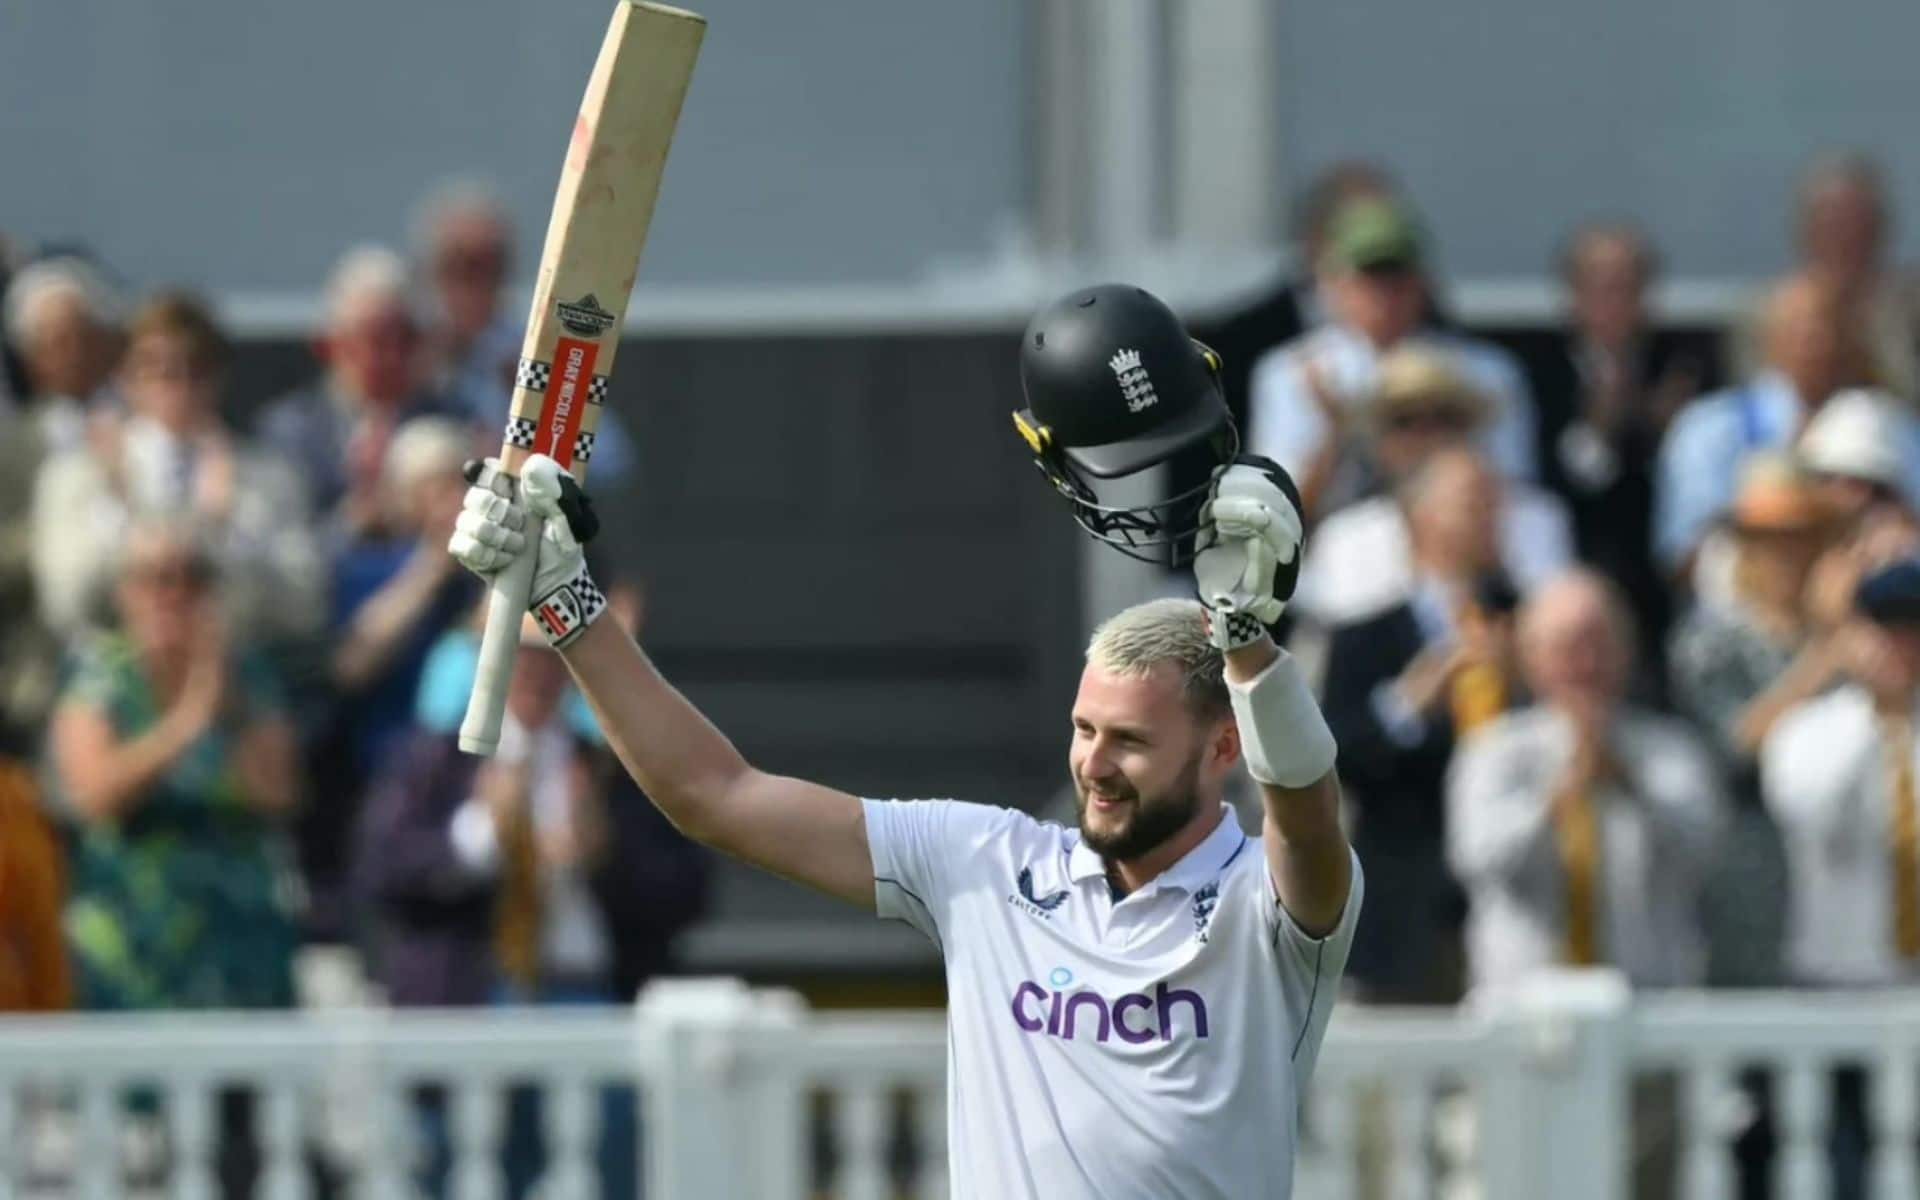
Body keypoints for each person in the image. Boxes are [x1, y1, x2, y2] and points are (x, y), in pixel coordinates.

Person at [451, 284, 1361, 1199]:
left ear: (1219, 751)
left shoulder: (1266, 909)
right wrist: (566, 604)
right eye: (1084, 729)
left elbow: (1310, 814)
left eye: (1129, 741)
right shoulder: (990, 866)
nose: (1093, 763)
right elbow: (715, 795)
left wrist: (1245, 640)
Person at [1447, 570, 1728, 992]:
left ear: (1626, 650)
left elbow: (1704, 855)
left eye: (1599, 643)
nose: (1585, 664)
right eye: (1567, 647)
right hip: (1522, 1003)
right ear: (1531, 656)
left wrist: (1630, 784)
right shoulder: (1492, 751)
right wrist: (1556, 799)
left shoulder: (1671, 749)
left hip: (1651, 1004)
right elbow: (1478, 861)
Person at [1318, 448, 1527, 1004]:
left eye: (1495, 502)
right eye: (1473, 502)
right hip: (1409, 900)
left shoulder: (1528, 624)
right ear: (1421, 517)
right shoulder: (1368, 633)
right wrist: (1413, 699)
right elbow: (1341, 756)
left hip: (1519, 902)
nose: (1491, 515)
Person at [1244, 197, 1537, 520]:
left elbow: (1516, 494)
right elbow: (1274, 514)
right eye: (1369, 278)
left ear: (1422, 282)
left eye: (1397, 277)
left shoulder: (1485, 372)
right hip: (1334, 552)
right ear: (1333, 284)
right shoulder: (1293, 371)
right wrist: (1333, 433)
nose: (1385, 295)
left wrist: (1451, 432)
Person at [1527, 221, 1717, 666]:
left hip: (1662, 588)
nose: (1615, 302)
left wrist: (1668, 430)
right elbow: (1562, 479)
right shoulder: (1542, 372)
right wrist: (1602, 422)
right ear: (1572, 295)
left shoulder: (1685, 365)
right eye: (1601, 287)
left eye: (1628, 286)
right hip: (1578, 568)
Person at [1656, 275, 1920, 583]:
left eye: (1832, 329)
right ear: (1768, 337)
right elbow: (1684, 551)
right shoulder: (1710, 427)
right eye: (1802, 330)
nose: (1819, 343)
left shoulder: (1893, 424)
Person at [1289, 349, 1573, 629]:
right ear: (1380, 441)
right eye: (1404, 420)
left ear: (1468, 428)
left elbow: (1554, 632)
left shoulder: (1537, 518)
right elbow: (1348, 648)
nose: (1424, 434)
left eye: (1443, 417)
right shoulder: (1346, 537)